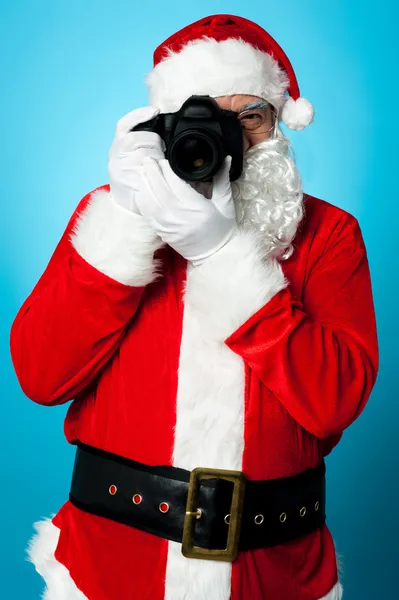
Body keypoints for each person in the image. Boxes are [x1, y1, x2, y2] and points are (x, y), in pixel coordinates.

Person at [10, 13, 379, 600]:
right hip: (111, 564)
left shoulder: (328, 234)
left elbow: (334, 401)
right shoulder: (111, 215)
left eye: (250, 118)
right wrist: (125, 223)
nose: (227, 140)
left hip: (273, 573)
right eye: (202, 117)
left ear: (279, 127)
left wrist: (224, 254)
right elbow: (40, 374)